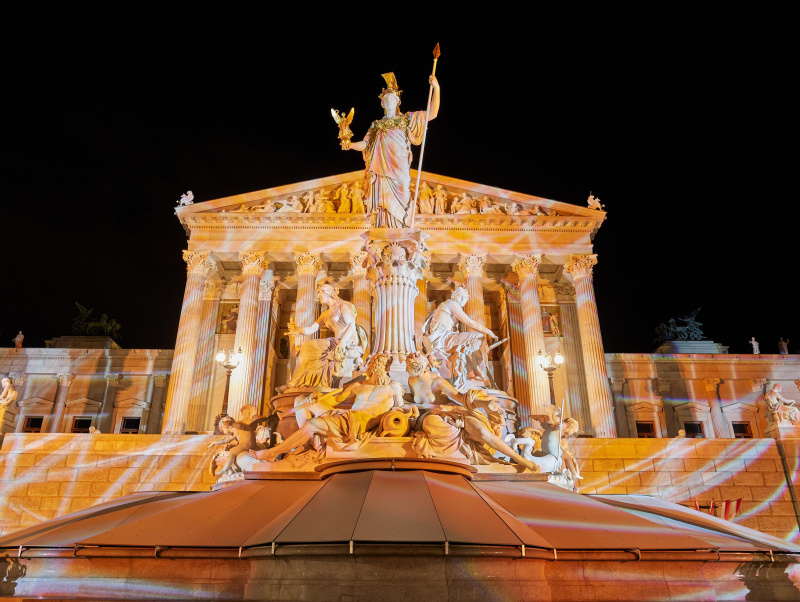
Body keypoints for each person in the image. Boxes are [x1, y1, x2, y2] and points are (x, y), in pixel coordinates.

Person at [251, 353, 405, 461]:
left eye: (377, 366)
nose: (375, 369)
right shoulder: (358, 385)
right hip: (344, 417)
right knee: (301, 400)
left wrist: (411, 410)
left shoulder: (394, 387)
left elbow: (401, 408)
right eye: (374, 366)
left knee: (312, 423)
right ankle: (310, 442)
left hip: (356, 425)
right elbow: (335, 400)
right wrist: (317, 396)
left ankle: (273, 452)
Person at [343, 72, 440, 228]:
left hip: (400, 168)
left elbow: (432, 113)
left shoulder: (407, 119)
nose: (389, 101)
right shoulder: (376, 125)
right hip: (381, 169)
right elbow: (366, 144)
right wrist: (351, 145)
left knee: (403, 195)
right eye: (386, 99)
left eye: (392, 99)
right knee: (383, 201)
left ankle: (401, 228)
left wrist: (436, 88)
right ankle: (384, 226)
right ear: (382, 103)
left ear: (398, 101)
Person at [283, 280, 365, 389]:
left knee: (310, 347)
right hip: (335, 341)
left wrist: (342, 343)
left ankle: (295, 383)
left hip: (347, 341)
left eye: (319, 293)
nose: (318, 296)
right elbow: (312, 329)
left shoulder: (343, 306)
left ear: (327, 293)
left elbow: (352, 325)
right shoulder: (325, 314)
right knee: (306, 347)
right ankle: (296, 383)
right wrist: (298, 330)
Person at [423, 286, 498, 389]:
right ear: (454, 296)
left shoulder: (450, 306)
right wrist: (490, 332)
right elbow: (470, 323)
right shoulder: (451, 303)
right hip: (442, 337)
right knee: (478, 337)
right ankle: (477, 370)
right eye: (460, 296)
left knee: (475, 343)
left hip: (444, 337)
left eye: (465, 297)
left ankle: (473, 368)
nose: (463, 299)